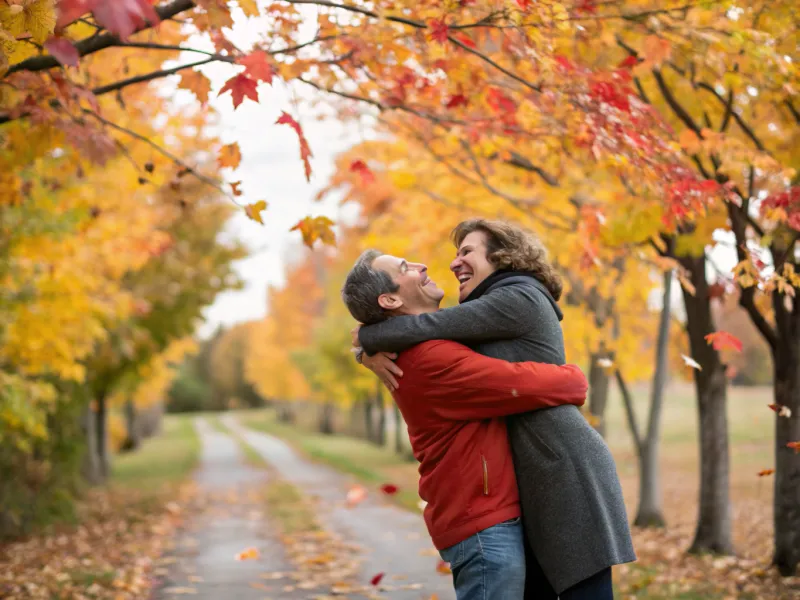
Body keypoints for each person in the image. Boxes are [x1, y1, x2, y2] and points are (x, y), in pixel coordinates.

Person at [352, 219, 636, 600]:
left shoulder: (517, 297)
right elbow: (423, 330)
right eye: (456, 254)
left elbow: (427, 323)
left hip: (562, 468)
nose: (453, 264)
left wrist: (366, 338)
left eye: (466, 251)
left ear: (501, 257)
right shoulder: (475, 319)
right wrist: (368, 349)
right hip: (531, 474)